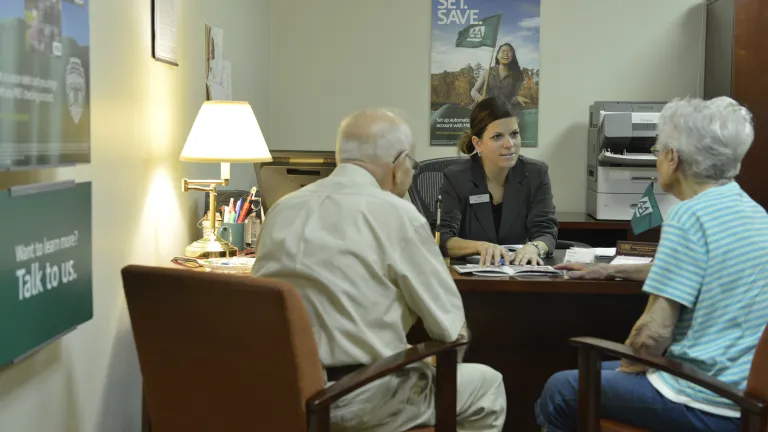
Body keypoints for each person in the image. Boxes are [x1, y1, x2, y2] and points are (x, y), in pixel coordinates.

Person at [251, 108, 507, 432]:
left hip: (282, 393)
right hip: (358, 399)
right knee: (487, 385)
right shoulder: (399, 215)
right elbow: (450, 330)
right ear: (400, 165)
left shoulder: (281, 209)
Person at [536, 96, 768, 432]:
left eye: (658, 149)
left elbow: (653, 335)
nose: (656, 157)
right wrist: (611, 269)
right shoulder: (753, 213)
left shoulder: (689, 216)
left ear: (672, 158)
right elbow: (697, 271)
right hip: (744, 400)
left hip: (700, 398)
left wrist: (630, 363)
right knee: (593, 377)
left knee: (561, 389)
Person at [435, 96, 557, 266]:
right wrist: (481, 247)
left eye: (514, 134)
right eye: (498, 137)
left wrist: (534, 247)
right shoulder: (456, 178)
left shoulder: (536, 174)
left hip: (517, 274)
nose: (509, 144)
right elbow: (443, 239)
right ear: (478, 144)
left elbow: (546, 231)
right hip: (471, 279)